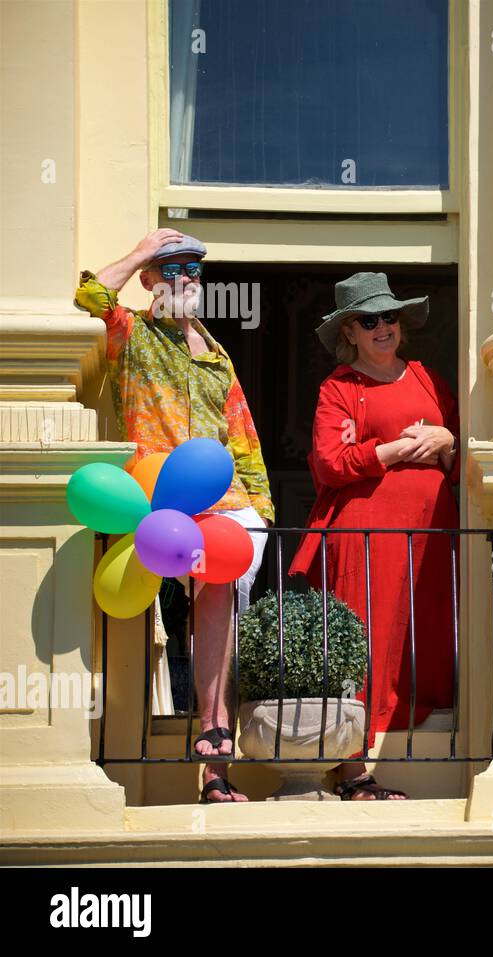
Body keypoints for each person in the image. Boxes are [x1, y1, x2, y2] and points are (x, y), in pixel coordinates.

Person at [74, 228, 273, 804]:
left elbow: (243, 439)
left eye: (194, 269)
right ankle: (207, 742)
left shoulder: (217, 355)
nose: (187, 278)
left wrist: (260, 505)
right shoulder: (132, 331)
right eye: (173, 268)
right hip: (156, 501)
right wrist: (139, 252)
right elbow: (90, 297)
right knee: (202, 596)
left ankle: (214, 746)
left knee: (220, 585)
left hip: (228, 504)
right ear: (150, 282)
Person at [289, 272, 459, 800]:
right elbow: (331, 462)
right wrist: (395, 451)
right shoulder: (341, 388)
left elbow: (458, 451)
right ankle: (351, 769)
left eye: (389, 316)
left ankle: (415, 747)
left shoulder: (428, 378)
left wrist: (447, 438)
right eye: (370, 320)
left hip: (433, 536)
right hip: (368, 535)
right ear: (350, 333)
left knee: (425, 637)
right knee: (367, 645)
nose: (383, 327)